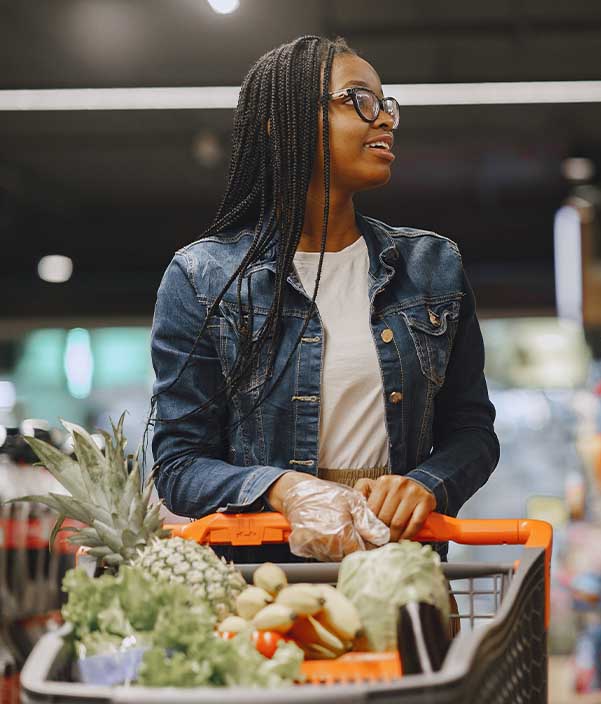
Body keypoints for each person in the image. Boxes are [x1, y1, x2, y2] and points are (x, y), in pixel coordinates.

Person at [148, 36, 499, 562]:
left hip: (399, 568)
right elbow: (179, 466)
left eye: (386, 105)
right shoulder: (203, 278)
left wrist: (427, 483)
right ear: (281, 122)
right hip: (263, 587)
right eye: (360, 100)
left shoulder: (432, 267)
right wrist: (284, 489)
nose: (384, 119)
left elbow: (473, 432)